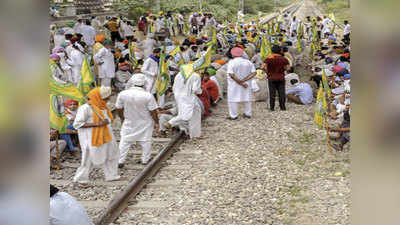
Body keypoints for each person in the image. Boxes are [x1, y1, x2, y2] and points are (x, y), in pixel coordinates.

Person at [73, 87, 120, 187]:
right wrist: (98, 124)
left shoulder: (103, 107)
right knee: (88, 157)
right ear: (98, 97)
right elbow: (77, 124)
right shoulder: (85, 108)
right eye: (105, 98)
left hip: (106, 135)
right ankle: (81, 179)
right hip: (90, 137)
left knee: (112, 154)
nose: (107, 100)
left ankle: (111, 175)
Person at [116, 74, 159, 167]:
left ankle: (120, 160)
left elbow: (119, 108)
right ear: (144, 83)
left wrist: (122, 118)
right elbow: (153, 112)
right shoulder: (148, 96)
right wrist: (156, 122)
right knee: (145, 141)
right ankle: (145, 159)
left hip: (129, 120)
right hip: (145, 122)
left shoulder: (123, 94)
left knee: (125, 140)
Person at [163, 68, 203, 139]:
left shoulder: (178, 75)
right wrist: (200, 91)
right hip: (189, 97)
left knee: (195, 112)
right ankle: (171, 122)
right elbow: (196, 90)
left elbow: (174, 87)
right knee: (186, 115)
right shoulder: (195, 75)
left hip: (179, 96)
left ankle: (195, 135)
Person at [226, 47, 257, 119]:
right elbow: (254, 73)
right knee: (247, 98)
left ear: (232, 54)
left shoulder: (231, 62)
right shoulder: (248, 62)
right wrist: (244, 80)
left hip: (234, 84)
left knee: (232, 100)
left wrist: (240, 82)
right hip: (246, 84)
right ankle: (248, 114)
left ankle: (233, 115)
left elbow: (231, 74)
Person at [264, 45, 290, 111]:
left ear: (272, 51)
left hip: (271, 78)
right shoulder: (284, 59)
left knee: (272, 93)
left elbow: (263, 67)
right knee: (281, 93)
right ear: (280, 51)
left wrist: (268, 71)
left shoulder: (268, 58)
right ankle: (282, 107)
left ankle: (272, 107)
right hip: (281, 77)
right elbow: (288, 68)